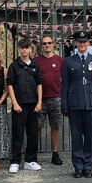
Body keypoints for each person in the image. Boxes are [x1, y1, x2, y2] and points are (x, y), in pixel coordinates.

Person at [61, 30, 92, 178]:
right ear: (75, 43)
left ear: (88, 43)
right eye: (80, 42)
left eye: (85, 42)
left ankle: (88, 166)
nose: (82, 44)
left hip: (91, 103)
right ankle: (78, 166)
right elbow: (65, 85)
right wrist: (65, 105)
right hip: (74, 103)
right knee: (76, 136)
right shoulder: (68, 61)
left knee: (90, 137)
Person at [6, 38, 43, 173]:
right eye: (22, 48)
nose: (24, 50)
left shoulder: (35, 65)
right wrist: (14, 103)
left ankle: (30, 160)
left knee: (33, 133)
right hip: (19, 105)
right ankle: (15, 161)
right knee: (17, 133)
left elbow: (39, 84)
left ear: (30, 49)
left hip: (33, 104)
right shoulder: (14, 66)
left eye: (26, 48)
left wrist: (39, 102)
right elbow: (10, 85)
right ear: (19, 49)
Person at [34, 34, 65, 166]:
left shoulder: (60, 60)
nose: (47, 45)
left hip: (56, 97)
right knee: (37, 127)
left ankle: (55, 152)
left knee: (55, 126)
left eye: (49, 43)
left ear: (53, 44)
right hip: (40, 99)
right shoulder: (36, 61)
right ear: (41, 45)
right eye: (44, 43)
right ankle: (33, 152)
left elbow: (65, 78)